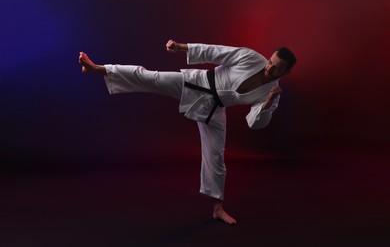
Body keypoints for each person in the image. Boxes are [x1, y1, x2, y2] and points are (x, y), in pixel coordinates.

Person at [79, 40, 296, 225]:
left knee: (216, 156)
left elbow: (255, 123)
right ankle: (99, 68)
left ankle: (217, 208)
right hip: (197, 82)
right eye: (270, 62)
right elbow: (216, 51)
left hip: (215, 108)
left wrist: (268, 102)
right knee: (151, 77)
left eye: (277, 68)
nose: (269, 68)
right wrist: (182, 47)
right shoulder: (251, 58)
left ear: (286, 73)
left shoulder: (272, 93)